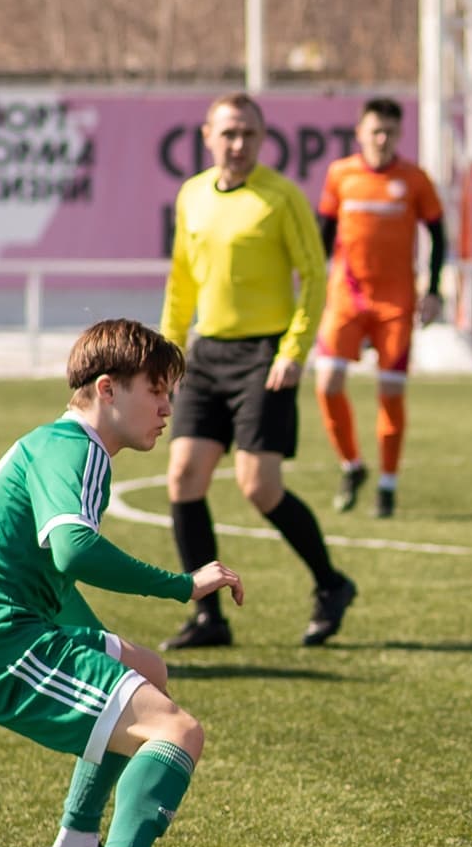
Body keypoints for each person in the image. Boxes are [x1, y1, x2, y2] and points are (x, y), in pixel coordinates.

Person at [0, 319, 244, 847]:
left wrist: (113, 657)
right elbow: (73, 551)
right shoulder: (78, 449)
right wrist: (182, 584)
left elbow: (53, 574)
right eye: (156, 391)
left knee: (146, 669)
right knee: (177, 732)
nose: (167, 409)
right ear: (107, 389)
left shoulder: (58, 443)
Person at [159, 92, 354, 650]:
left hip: (264, 357)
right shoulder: (192, 195)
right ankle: (209, 618)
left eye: (248, 133)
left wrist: (294, 350)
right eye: (228, 133)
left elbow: (314, 277)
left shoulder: (281, 197)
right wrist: (170, 353)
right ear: (207, 136)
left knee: (259, 487)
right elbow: (181, 280)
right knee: (183, 478)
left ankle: (331, 584)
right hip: (206, 355)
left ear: (263, 138)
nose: (238, 143)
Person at [314, 97, 445, 519]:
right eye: (375, 131)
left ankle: (387, 485)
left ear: (399, 133)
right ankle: (352, 466)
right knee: (327, 383)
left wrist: (434, 290)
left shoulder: (414, 179)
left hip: (395, 302)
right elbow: (323, 233)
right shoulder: (341, 175)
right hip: (346, 297)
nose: (382, 139)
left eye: (389, 131)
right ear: (360, 133)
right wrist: (313, 285)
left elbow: (439, 235)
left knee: (390, 391)